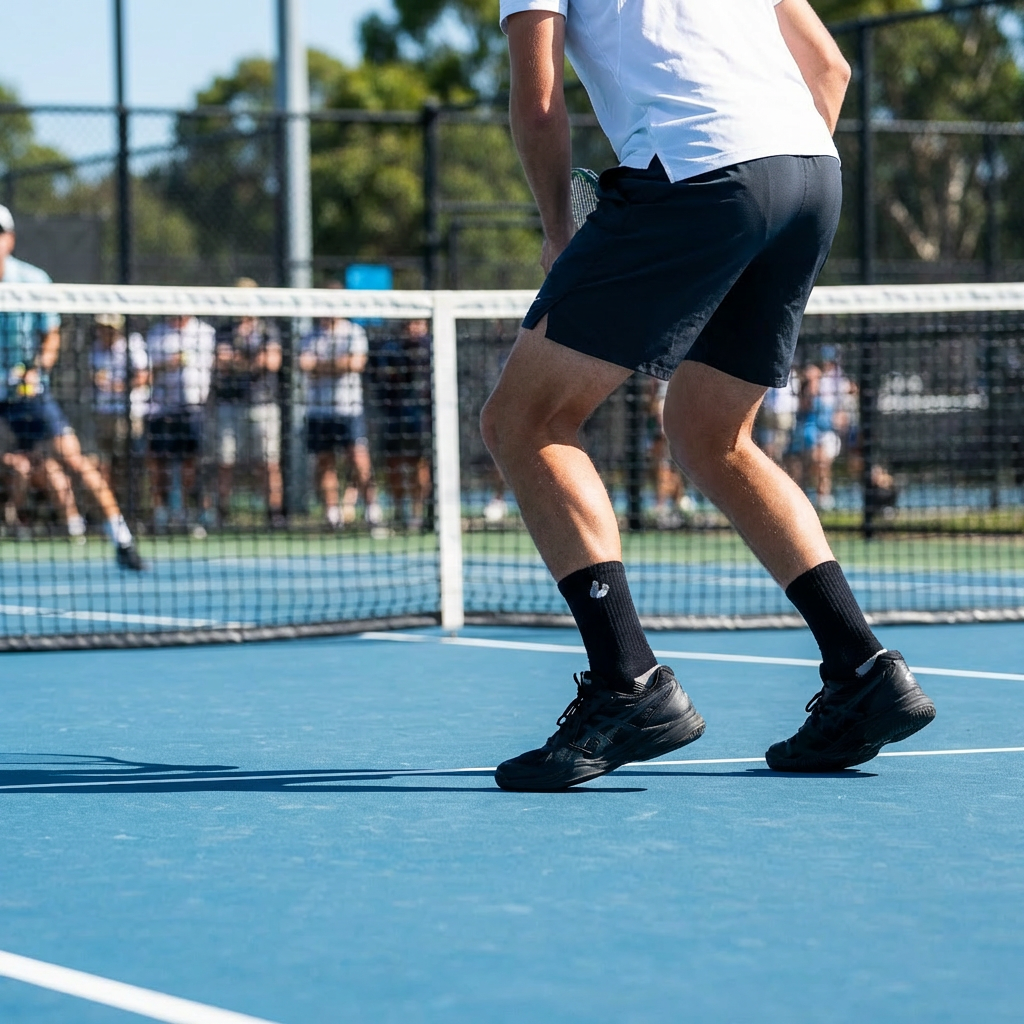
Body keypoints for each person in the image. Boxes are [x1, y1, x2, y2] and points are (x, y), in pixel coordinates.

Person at [480, 0, 935, 791]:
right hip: (807, 170)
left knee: (524, 420)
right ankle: (863, 670)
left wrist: (559, 232)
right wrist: (769, 203)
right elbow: (831, 69)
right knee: (708, 432)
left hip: (701, 170)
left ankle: (629, 683)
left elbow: (540, 100)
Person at [0, 204, 142, 568]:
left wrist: (35, 371)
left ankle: (121, 538)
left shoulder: (33, 281)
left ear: (11, 239)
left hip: (27, 392)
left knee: (73, 458)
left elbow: (50, 337)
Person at [299, 289, 382, 531]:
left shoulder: (355, 332)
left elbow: (355, 364)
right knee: (325, 462)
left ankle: (372, 511)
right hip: (318, 411)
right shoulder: (309, 335)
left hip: (349, 409)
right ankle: (333, 515)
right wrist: (337, 365)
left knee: (358, 459)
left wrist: (321, 365)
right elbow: (305, 364)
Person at [212, 279, 284, 526]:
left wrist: (237, 362)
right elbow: (220, 362)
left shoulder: (268, 330)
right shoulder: (224, 331)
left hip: (263, 404)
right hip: (230, 405)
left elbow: (271, 362)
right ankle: (220, 514)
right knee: (225, 461)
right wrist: (250, 362)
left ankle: (274, 514)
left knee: (268, 462)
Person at [146, 313, 215, 531]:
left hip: (193, 408)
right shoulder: (156, 333)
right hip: (161, 408)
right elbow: (146, 370)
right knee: (159, 462)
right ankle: (162, 515)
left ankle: (192, 515)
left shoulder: (206, 333)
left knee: (191, 463)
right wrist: (169, 363)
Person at [375, 317, 433, 531]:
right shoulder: (391, 350)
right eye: (409, 323)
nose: (414, 328)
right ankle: (399, 512)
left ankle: (418, 515)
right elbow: (383, 379)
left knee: (420, 463)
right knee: (394, 463)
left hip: (423, 418)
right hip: (395, 416)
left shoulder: (432, 348)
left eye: (418, 323)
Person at [91, 312, 149, 493]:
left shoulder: (133, 344)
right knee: (106, 461)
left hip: (130, 415)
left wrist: (118, 387)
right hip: (103, 413)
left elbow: (143, 377)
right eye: (101, 328)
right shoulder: (95, 349)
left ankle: (133, 504)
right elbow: (92, 376)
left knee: (130, 461)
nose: (104, 332)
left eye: (109, 328)